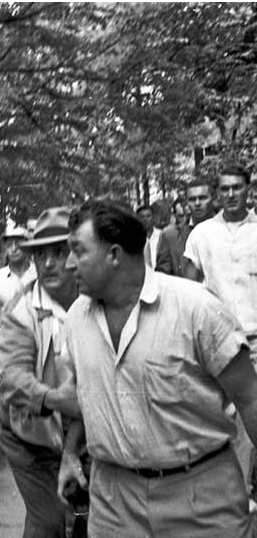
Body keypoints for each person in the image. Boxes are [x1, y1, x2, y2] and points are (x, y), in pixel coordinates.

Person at [58, 197, 257, 538]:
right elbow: (86, 396)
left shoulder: (197, 309)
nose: (68, 264)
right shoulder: (77, 318)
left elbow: (250, 398)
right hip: (113, 505)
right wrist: (69, 455)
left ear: (115, 254)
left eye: (78, 251)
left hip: (202, 501)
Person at [0, 208, 82, 538]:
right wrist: (55, 398)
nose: (48, 264)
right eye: (40, 255)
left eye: (59, 253)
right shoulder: (21, 310)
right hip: (27, 436)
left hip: (82, 433)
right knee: (49, 520)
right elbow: (11, 378)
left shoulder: (95, 296)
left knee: (88, 517)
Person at [183, 162, 257, 489]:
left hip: (256, 338)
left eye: (236, 188)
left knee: (249, 421)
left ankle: (240, 494)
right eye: (224, 189)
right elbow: (188, 286)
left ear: (248, 189)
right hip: (219, 343)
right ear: (217, 194)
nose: (230, 195)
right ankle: (229, 495)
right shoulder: (202, 234)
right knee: (222, 419)